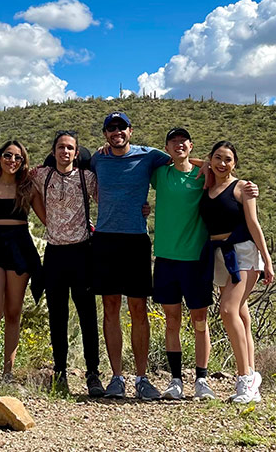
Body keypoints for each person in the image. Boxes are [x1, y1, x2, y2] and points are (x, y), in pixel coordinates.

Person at [150, 128, 259, 400]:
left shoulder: (205, 177)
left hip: (198, 258)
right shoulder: (160, 174)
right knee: (172, 319)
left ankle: (203, 380)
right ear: (166, 147)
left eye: (184, 142)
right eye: (173, 142)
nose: (179, 146)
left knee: (202, 319)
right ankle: (176, 381)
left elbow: (216, 170)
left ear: (191, 145)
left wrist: (207, 163)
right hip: (165, 256)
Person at [90, 111, 171, 400]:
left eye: (121, 127)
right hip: (105, 239)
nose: (116, 132)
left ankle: (142, 377)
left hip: (136, 240)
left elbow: (181, 160)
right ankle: (116, 377)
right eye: (111, 128)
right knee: (110, 307)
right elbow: (62, 162)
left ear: (130, 130)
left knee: (138, 308)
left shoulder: (149, 156)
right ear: (105, 135)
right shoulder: (98, 159)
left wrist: (218, 169)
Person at [29, 130, 103, 397]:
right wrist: (44, 218)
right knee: (57, 316)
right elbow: (20, 178)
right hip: (55, 253)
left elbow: (109, 199)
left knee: (87, 316)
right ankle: (60, 374)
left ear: (76, 152)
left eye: (70, 148)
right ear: (53, 151)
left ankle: (92, 373)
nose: (65, 152)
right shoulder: (42, 175)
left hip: (82, 252)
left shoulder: (87, 178)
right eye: (61, 147)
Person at [200, 140, 274, 404]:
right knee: (241, 314)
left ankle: (244, 379)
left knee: (228, 309)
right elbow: (188, 161)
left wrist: (267, 260)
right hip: (218, 254)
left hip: (243, 252)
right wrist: (205, 164)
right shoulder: (208, 182)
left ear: (235, 163)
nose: (222, 163)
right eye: (217, 158)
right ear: (210, 159)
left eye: (228, 159)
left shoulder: (242, 187)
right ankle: (252, 377)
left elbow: (253, 223)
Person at [0, 140, 45, 381]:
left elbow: (48, 218)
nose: (12, 161)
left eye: (18, 158)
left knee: (13, 311)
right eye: (8, 155)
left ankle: (8, 372)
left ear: (23, 162)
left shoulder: (28, 187)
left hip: (20, 246)